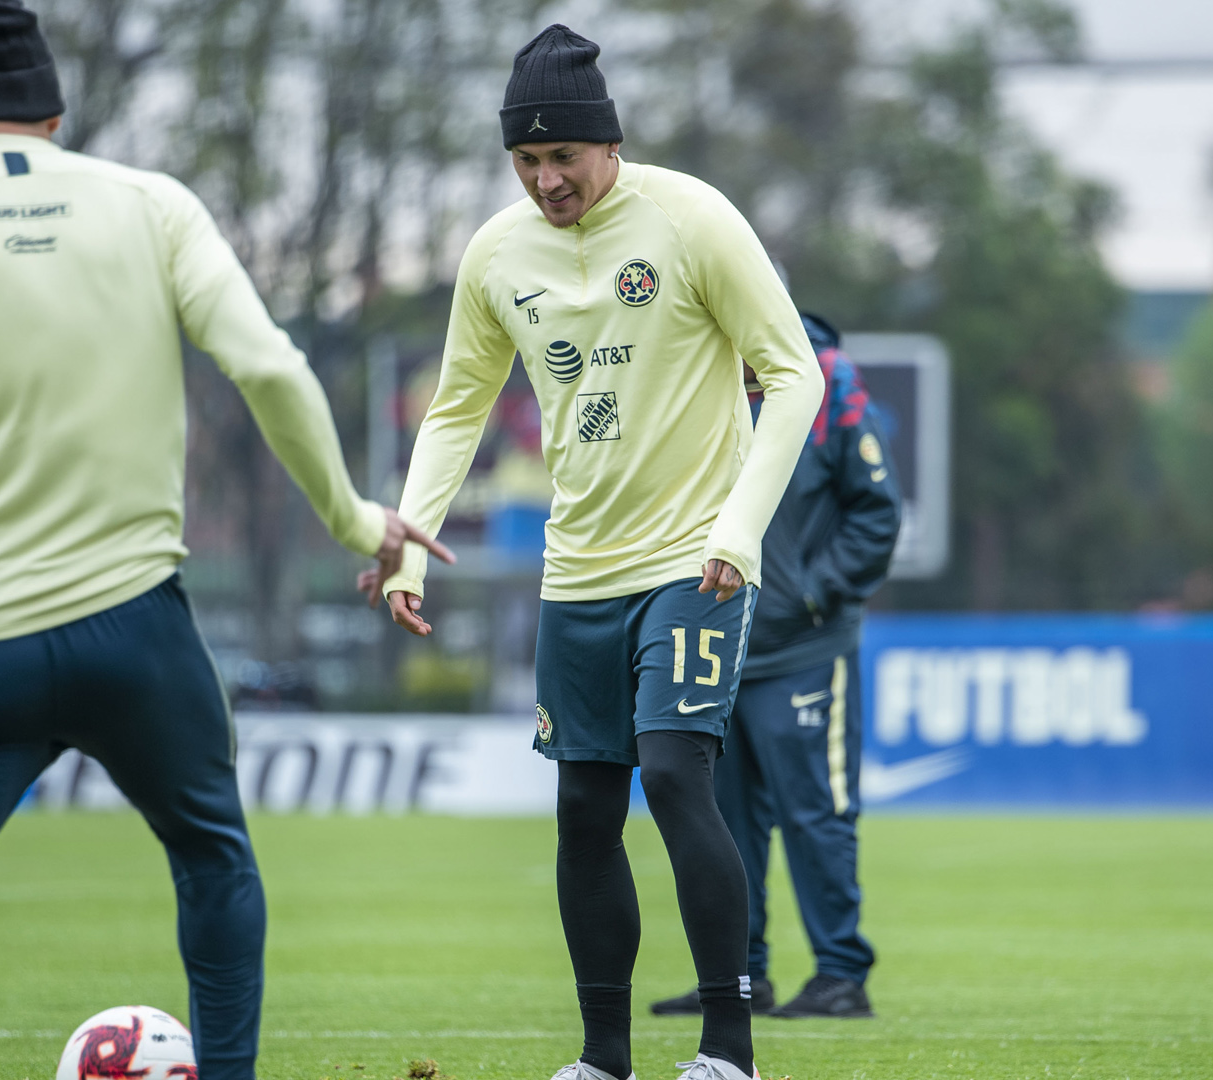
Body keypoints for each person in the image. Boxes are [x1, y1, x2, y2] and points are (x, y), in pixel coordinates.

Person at [0, 4, 449, 1080]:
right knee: (214, 861)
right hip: (136, 634)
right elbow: (265, 365)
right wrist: (359, 520)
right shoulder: (150, 206)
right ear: (56, 111)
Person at [362, 24, 823, 1080]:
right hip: (578, 575)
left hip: (693, 562)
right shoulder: (494, 253)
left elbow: (793, 374)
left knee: (673, 774)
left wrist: (738, 529)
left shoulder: (692, 218)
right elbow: (456, 410)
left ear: (608, 145)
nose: (544, 181)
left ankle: (727, 1051)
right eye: (525, 162)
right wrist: (409, 551)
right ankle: (603, 1058)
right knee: (582, 807)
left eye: (562, 157)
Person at [649, 313, 900, 1021]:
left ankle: (840, 976)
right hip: (716, 641)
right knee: (721, 818)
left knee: (816, 811)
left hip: (804, 649)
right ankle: (737, 978)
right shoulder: (694, 362)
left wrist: (813, 591)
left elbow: (877, 512)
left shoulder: (829, 379)